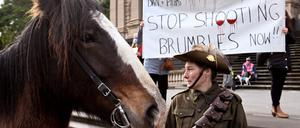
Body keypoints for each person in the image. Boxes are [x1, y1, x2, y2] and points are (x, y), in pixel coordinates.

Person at [165, 44, 247, 128]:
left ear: (207, 72)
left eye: (190, 69)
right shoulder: (178, 101)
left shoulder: (232, 102)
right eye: (185, 69)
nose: (185, 75)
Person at [267, 11, 295, 118]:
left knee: (278, 85)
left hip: (284, 61)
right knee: (276, 85)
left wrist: (287, 33)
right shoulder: (269, 25)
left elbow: (293, 40)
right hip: (275, 60)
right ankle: (276, 107)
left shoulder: (287, 27)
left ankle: (275, 107)